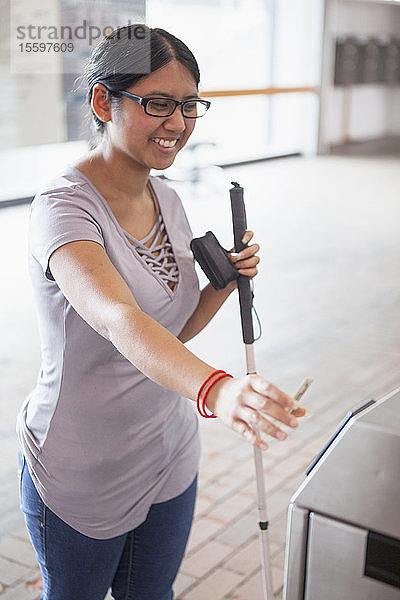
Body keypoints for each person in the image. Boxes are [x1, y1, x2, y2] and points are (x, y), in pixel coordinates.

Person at [16, 24, 305, 600]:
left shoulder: (165, 197)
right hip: (83, 468)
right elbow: (119, 320)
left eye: (190, 105)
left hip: (169, 451)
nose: (178, 123)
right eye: (158, 104)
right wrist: (217, 391)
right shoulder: (63, 210)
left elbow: (169, 328)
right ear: (103, 101)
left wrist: (221, 287)